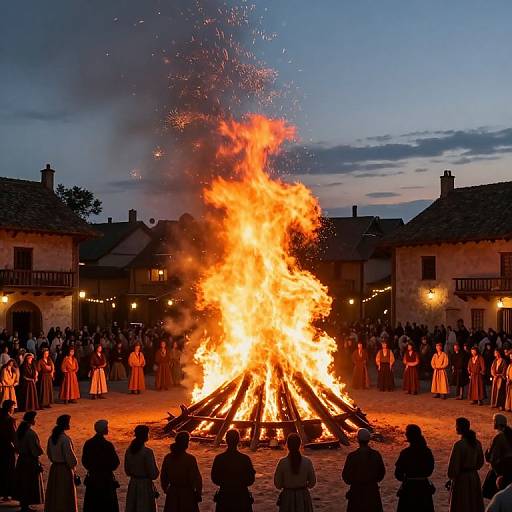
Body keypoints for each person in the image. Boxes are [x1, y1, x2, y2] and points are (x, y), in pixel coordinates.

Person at [211, 429, 256, 512]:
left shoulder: (219, 459)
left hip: (224, 497)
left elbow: (215, 478)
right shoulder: (245, 459)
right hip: (242, 498)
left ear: (226, 440)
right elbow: (251, 480)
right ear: (238, 440)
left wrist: (226, 483)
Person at [342, 428, 385, 512]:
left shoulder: (352, 456)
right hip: (372, 492)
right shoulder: (376, 455)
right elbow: (381, 474)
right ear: (368, 440)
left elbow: (346, 477)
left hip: (356, 493)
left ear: (358, 439)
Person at [447, 417, 485, 512]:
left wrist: (452, 477)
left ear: (460, 428)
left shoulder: (459, 445)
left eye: (456, 426)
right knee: (473, 504)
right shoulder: (477, 443)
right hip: (474, 477)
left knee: (462, 504)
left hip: (462, 479)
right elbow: (480, 462)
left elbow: (453, 468)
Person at [82, 419, 120, 512]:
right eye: (106, 427)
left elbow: (85, 461)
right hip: (106, 479)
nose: (108, 429)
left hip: (93, 479)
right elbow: (115, 463)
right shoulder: (108, 445)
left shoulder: (88, 443)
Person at [394, 424, 435, 512]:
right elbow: (430, 470)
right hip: (424, 489)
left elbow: (398, 474)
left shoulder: (405, 453)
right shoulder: (427, 451)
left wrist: (406, 478)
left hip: (409, 489)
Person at [160, 431, 202, 512]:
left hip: (172, 493)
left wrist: (166, 489)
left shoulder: (168, 458)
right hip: (187, 494)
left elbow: (163, 477)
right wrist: (198, 492)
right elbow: (196, 478)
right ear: (186, 443)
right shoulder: (190, 459)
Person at [274, 432, 316, 512]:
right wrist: (304, 485)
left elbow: (277, 484)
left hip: (287, 497)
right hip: (303, 497)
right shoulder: (307, 462)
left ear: (288, 445)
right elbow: (312, 482)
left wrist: (287, 485)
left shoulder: (282, 462)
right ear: (299, 445)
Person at [45, 414, 78, 512]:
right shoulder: (65, 439)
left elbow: (49, 453)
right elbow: (70, 458)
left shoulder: (52, 438)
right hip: (64, 470)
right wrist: (73, 466)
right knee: (64, 493)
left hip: (55, 468)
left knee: (55, 493)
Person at [14, 411, 44, 512]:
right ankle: (26, 506)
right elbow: (36, 451)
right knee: (29, 483)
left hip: (21, 460)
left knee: (22, 482)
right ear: (31, 420)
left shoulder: (19, 431)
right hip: (30, 462)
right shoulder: (30, 434)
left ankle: (23, 504)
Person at [124, 424, 159, 512]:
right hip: (145, 486)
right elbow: (153, 474)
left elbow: (127, 471)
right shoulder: (147, 452)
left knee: (133, 507)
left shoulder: (129, 451)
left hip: (133, 484)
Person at [482, 414, 512, 499]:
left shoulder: (499, 437)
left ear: (496, 423)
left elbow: (492, 457)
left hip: (501, 470)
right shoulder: (509, 434)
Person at [0, 400, 16, 501]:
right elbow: (14, 436)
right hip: (7, 448)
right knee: (8, 470)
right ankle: (6, 494)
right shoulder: (10, 420)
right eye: (13, 407)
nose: (14, 409)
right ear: (10, 408)